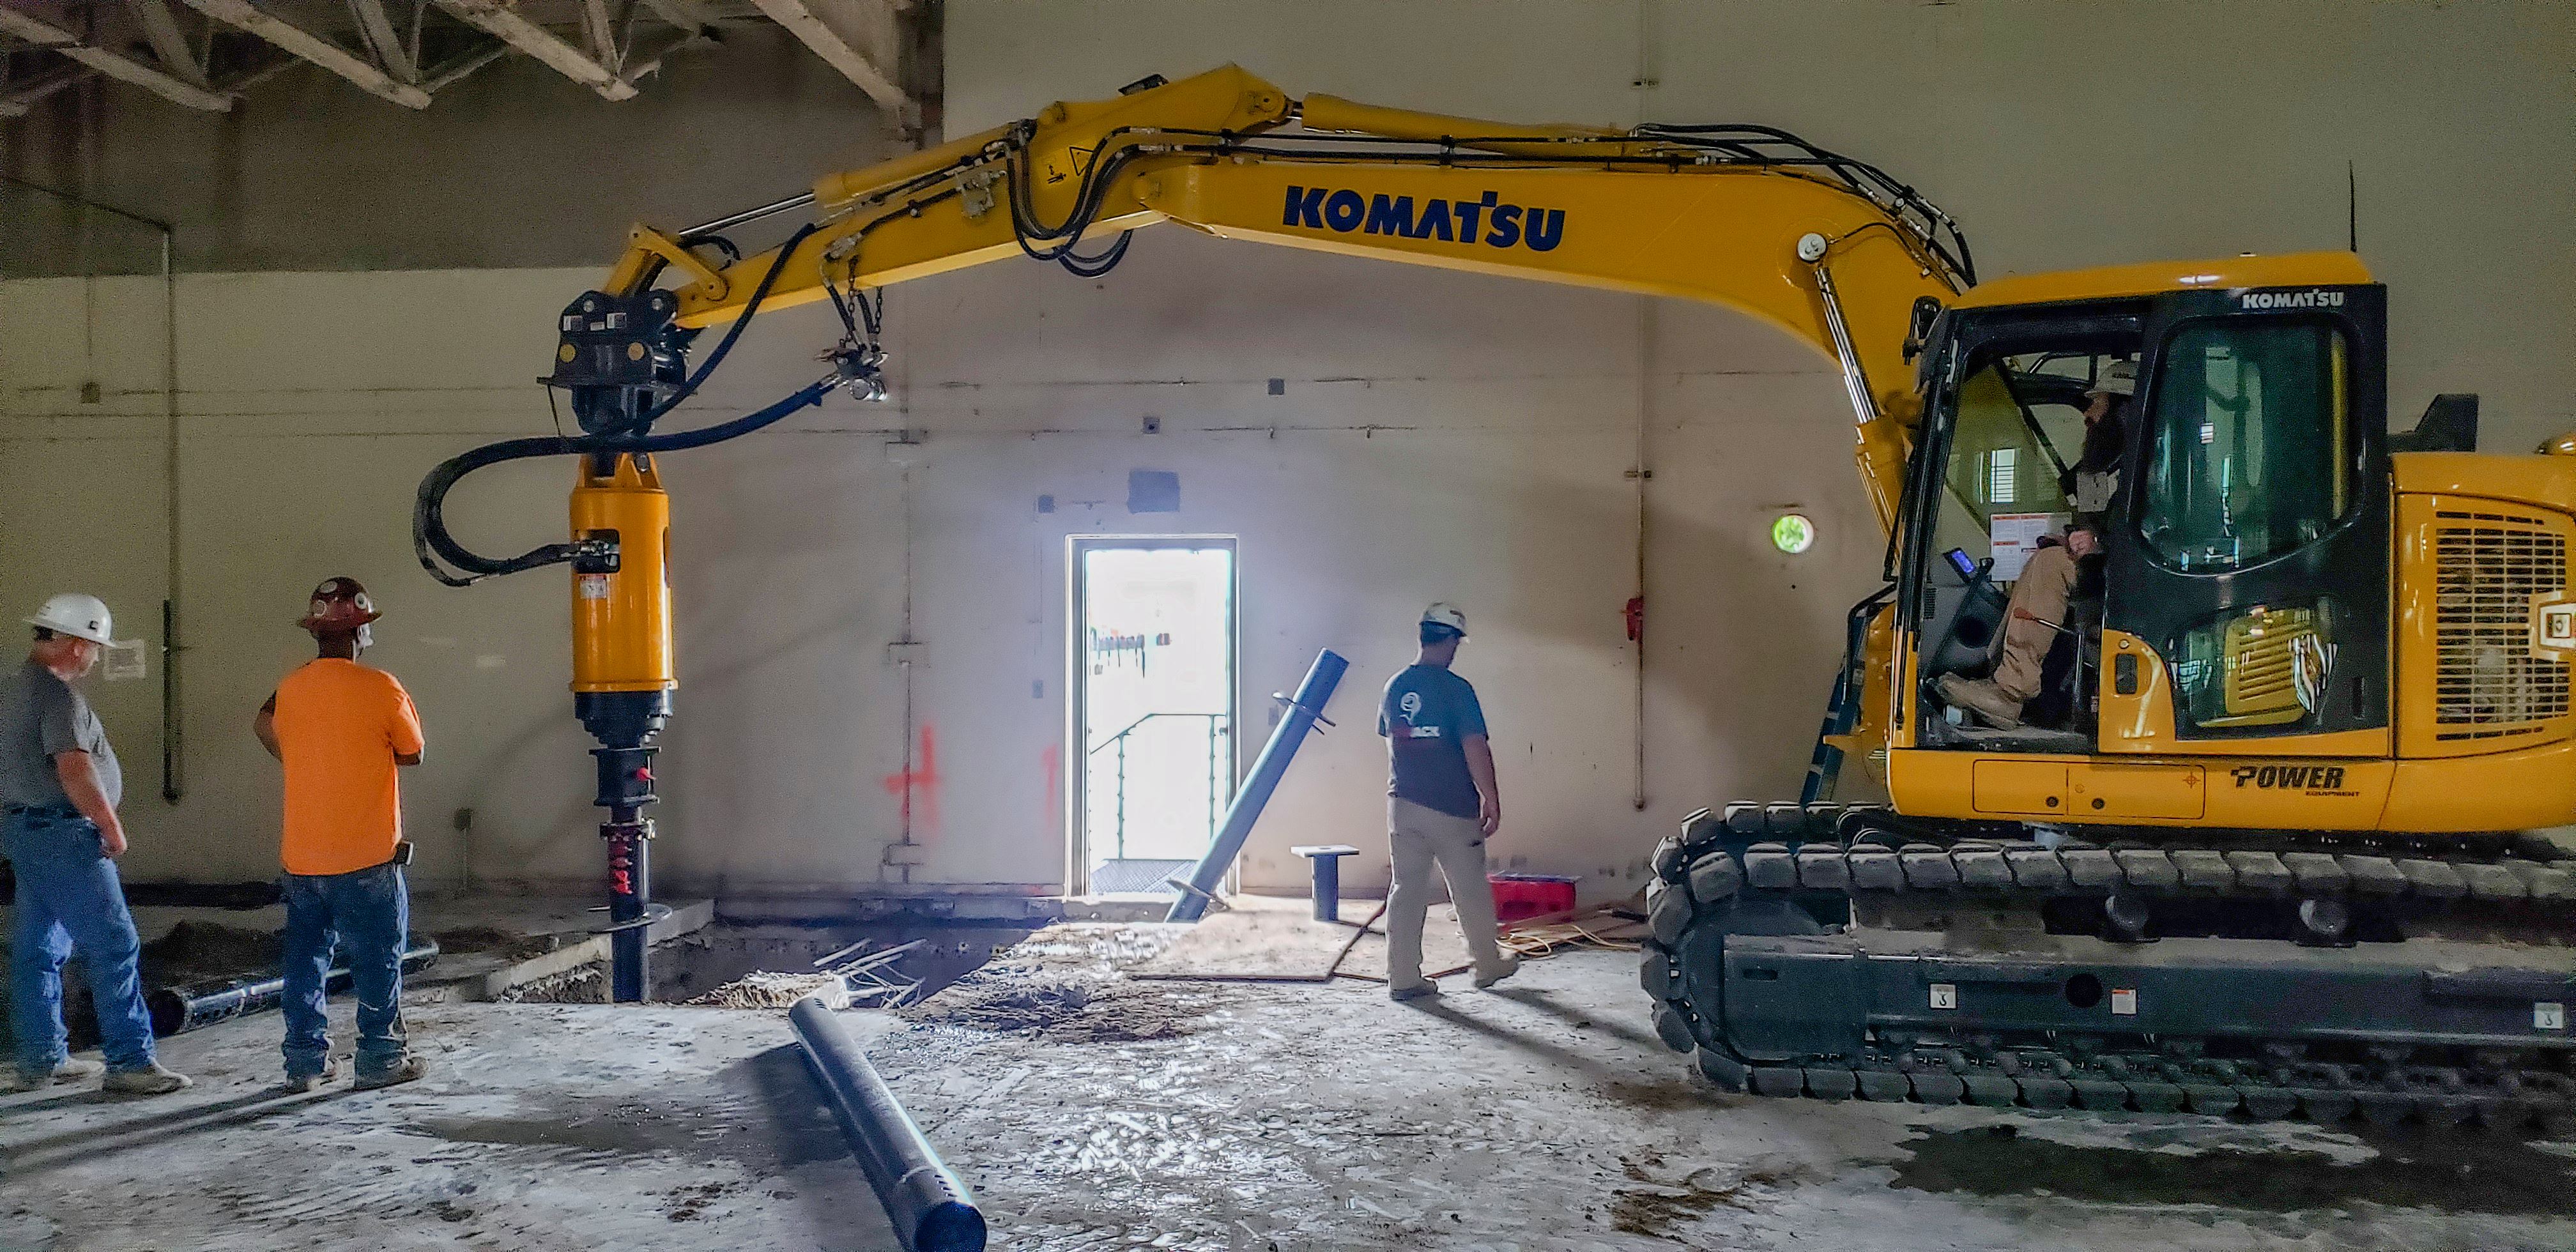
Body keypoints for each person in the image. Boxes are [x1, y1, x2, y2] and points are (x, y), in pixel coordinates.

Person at [1, 594, 192, 1095]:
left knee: (38, 948)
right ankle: (130, 1060)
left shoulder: (13, 689)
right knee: (114, 944)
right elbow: (74, 768)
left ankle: (42, 1059)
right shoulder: (58, 699)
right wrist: (110, 825)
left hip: (26, 832)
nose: (96, 657)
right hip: (65, 835)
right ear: (73, 643)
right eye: (93, 645)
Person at [252, 578, 427, 1092]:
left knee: (305, 963)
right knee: (377, 961)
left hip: (303, 860)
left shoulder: (291, 688)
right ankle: (380, 1060)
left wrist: (299, 757)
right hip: (367, 857)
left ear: (316, 632)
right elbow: (414, 751)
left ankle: (305, 1066)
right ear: (360, 634)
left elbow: (263, 722)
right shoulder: (381, 687)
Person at [1376, 602, 1517, 1001]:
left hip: (1402, 803)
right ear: (1452, 640)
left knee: (1406, 890)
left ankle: (1402, 977)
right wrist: (1491, 798)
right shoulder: (1457, 690)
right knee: (1469, 887)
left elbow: (1393, 740)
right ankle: (1487, 964)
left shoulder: (1395, 685)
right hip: (1452, 807)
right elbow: (1474, 745)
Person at [1936, 525, 2101, 729]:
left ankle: (2011, 691)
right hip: (2122, 560)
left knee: (2052, 562)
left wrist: (2098, 538)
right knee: (2045, 555)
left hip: (2136, 572)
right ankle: (1999, 680)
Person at [2060, 360, 2135, 525]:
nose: (2088, 413)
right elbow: (2090, 520)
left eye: (2097, 403)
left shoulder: (2143, 472)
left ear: (2123, 411)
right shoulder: (2101, 464)